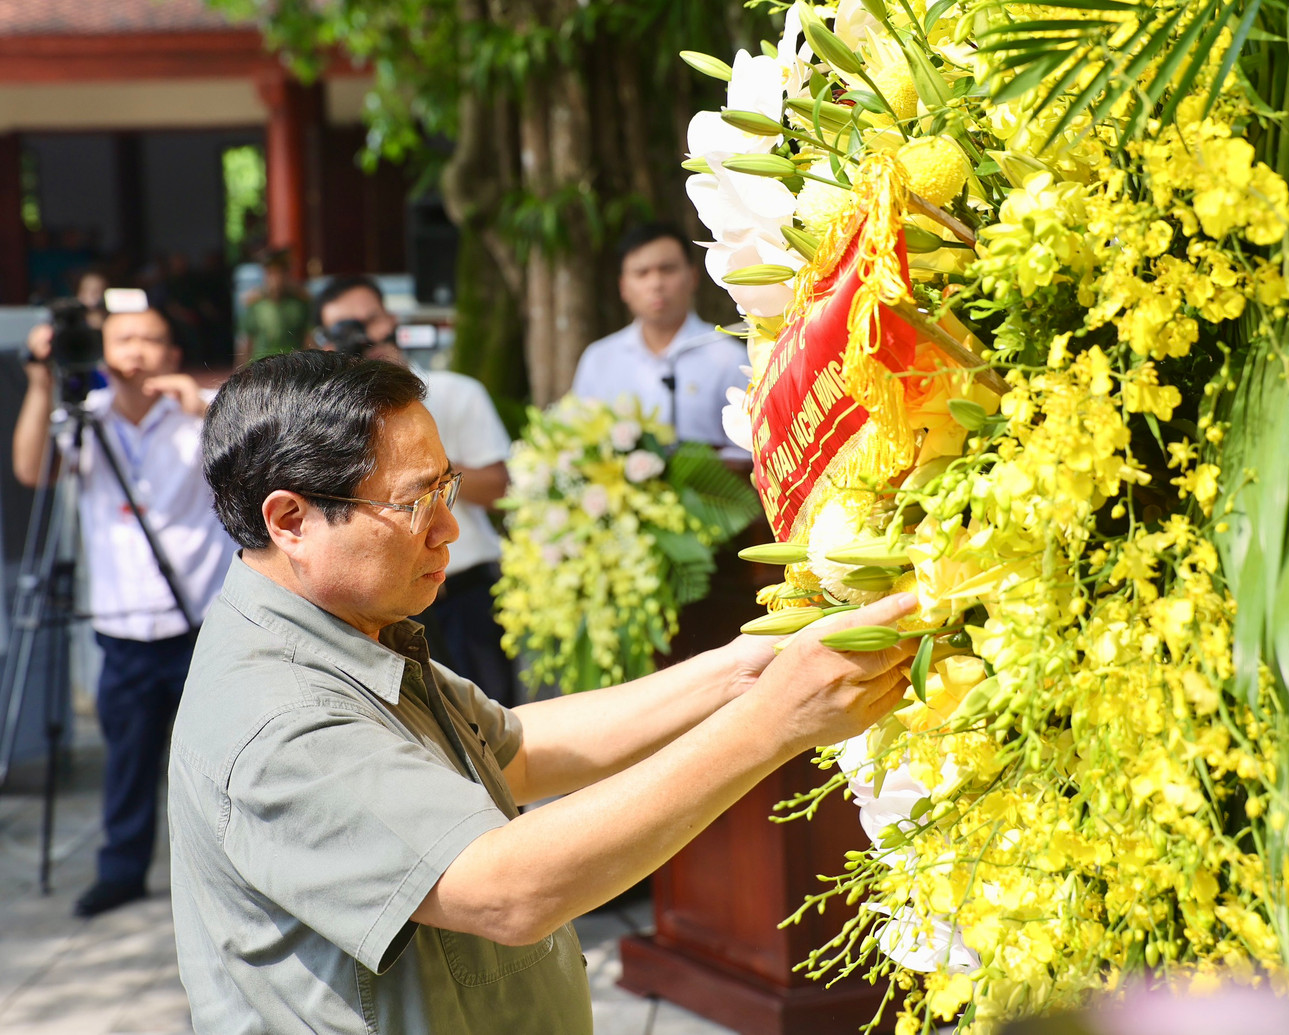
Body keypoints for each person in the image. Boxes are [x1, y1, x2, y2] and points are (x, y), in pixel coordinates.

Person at [169, 349, 914, 1032]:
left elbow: (512, 751)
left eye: (447, 487)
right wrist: (772, 722)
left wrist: (743, 669)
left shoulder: (339, 628)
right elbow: (505, 889)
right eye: (415, 503)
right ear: (291, 520)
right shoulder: (282, 714)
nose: (449, 527)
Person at [12, 303, 237, 918]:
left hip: (202, 622)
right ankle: (122, 872)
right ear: (101, 351)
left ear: (172, 352)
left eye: (151, 338)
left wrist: (206, 412)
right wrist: (41, 381)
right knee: (128, 758)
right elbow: (32, 470)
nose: (136, 350)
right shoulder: (84, 417)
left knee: (221, 761)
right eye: (123, 338)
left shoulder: (205, 411)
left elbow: (262, 462)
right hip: (124, 627)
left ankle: (234, 875)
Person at [314, 274, 519, 706]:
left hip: (464, 591)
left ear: (391, 319)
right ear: (327, 344)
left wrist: (422, 462)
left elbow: (500, 489)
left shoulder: (457, 392)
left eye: (371, 320)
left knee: (495, 717)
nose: (366, 336)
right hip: (383, 602)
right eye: (347, 329)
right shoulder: (326, 423)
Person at [571, 222, 749, 455]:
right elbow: (578, 442)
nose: (656, 284)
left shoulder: (729, 357)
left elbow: (753, 451)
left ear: (693, 277)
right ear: (623, 287)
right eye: (642, 273)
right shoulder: (599, 359)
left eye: (668, 270)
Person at [234, 248, 311, 367]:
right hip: (262, 366)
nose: (276, 279)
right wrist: (241, 369)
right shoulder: (256, 305)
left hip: (292, 365)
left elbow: (308, 337)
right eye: (271, 273)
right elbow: (246, 341)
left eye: (280, 273)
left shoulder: (299, 304)